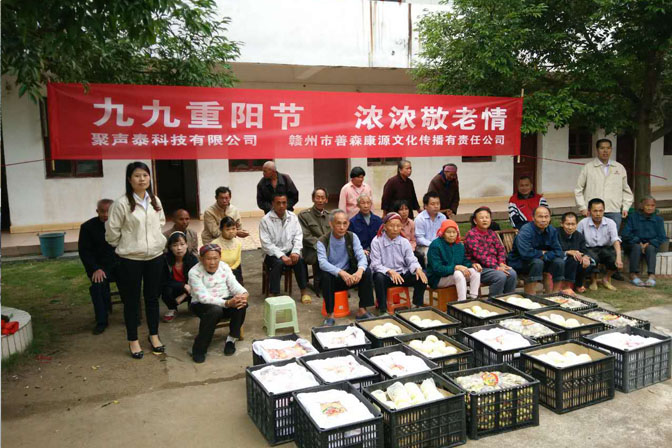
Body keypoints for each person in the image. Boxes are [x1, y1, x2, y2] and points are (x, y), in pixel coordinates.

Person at [105, 162, 167, 359]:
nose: (142, 179)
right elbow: (112, 233)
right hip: (130, 259)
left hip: (154, 257)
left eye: (145, 175)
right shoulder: (121, 204)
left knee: (152, 298)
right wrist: (127, 246)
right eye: (137, 176)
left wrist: (157, 242)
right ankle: (133, 340)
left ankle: (154, 335)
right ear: (129, 179)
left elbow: (161, 223)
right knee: (131, 301)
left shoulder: (155, 200)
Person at [188, 244, 248, 362]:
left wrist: (243, 294)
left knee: (241, 304)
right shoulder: (194, 272)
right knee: (215, 311)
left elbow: (234, 285)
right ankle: (199, 348)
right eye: (208, 259)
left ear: (220, 257)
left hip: (224, 301)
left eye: (215, 258)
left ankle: (231, 339)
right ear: (201, 259)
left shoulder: (224, 267)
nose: (212, 262)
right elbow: (203, 297)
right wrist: (227, 303)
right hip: (201, 304)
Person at [317, 210, 375, 326]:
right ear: (331, 224)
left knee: (366, 271)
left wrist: (359, 271)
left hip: (350, 276)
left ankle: (362, 310)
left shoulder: (352, 237)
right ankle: (330, 315)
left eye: (345, 223)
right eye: (338, 223)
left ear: (348, 224)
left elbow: (361, 256)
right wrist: (341, 272)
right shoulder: (322, 241)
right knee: (326, 275)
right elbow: (322, 263)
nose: (342, 227)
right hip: (334, 278)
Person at [259, 193, 311, 304]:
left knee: (300, 261)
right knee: (278, 263)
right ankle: (274, 293)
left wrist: (295, 252)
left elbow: (298, 236)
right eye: (278, 203)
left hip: (289, 250)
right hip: (272, 254)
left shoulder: (293, 217)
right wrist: (282, 256)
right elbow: (266, 244)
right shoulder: (265, 220)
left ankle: (304, 292)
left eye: (284, 203)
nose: (281, 206)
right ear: (273, 204)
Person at [370, 213, 428, 312]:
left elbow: (411, 259)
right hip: (386, 276)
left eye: (398, 226)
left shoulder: (404, 242)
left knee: (421, 276)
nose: (395, 229)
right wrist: (389, 271)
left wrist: (417, 268)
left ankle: (417, 304)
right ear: (385, 227)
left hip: (401, 275)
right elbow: (375, 264)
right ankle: (382, 309)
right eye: (391, 226)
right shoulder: (377, 241)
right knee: (378, 277)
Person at [78, 199, 118, 335]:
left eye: (109, 211)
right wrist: (95, 268)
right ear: (97, 211)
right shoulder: (87, 227)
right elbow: (85, 252)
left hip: (119, 264)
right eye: (102, 211)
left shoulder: (121, 224)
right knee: (98, 285)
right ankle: (101, 321)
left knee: (130, 280)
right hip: (100, 267)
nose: (106, 214)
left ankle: (133, 316)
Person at [574, 138, 633, 230]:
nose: (605, 151)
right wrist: (582, 207)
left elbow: (626, 190)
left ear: (611, 150)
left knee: (612, 236)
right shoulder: (588, 168)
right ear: (597, 150)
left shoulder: (619, 167)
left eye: (608, 148)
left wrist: (625, 207)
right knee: (592, 236)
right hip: (593, 211)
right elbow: (578, 189)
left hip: (613, 211)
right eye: (602, 148)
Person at [507, 206, 565, 294]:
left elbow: (559, 252)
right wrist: (542, 253)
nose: (544, 220)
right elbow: (525, 254)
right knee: (537, 262)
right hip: (520, 262)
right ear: (533, 218)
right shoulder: (526, 231)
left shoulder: (552, 230)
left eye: (546, 217)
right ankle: (531, 294)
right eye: (540, 217)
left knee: (559, 262)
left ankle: (555, 293)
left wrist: (544, 255)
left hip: (542, 261)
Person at [463, 206, 518, 298]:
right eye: (481, 218)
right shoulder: (471, 235)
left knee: (512, 273)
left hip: (495, 266)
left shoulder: (491, 233)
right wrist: (496, 267)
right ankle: (494, 301)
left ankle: (507, 300)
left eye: (487, 217)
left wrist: (501, 263)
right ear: (475, 221)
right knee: (500, 276)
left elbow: (500, 249)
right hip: (480, 268)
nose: (485, 220)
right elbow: (480, 256)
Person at [577, 198, 624, 291]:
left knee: (614, 259)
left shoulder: (610, 223)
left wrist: (619, 257)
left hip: (605, 248)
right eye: (595, 211)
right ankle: (593, 280)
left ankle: (606, 278)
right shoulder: (583, 223)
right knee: (593, 258)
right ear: (589, 211)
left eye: (600, 211)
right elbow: (577, 239)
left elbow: (615, 240)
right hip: (589, 248)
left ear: (604, 211)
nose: (598, 214)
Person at [427, 220, 481, 301]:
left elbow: (464, 261)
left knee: (475, 272)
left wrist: (472, 265)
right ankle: (462, 301)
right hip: (438, 278)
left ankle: (473, 298)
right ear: (443, 233)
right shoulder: (435, 245)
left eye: (454, 232)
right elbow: (437, 269)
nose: (452, 235)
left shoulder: (459, 245)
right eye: (448, 232)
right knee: (458, 273)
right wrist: (455, 268)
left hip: (454, 275)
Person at [622, 196, 666, 287]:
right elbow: (626, 234)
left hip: (650, 243)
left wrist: (648, 243)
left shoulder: (659, 220)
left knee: (651, 248)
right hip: (633, 243)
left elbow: (662, 237)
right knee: (637, 247)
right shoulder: (632, 217)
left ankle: (651, 275)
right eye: (647, 205)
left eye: (652, 205)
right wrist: (638, 242)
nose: (650, 208)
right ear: (642, 206)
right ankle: (633, 274)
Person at [298, 188, 331, 292]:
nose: (320, 200)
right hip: (311, 250)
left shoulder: (330, 216)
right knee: (322, 254)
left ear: (326, 200)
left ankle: (337, 283)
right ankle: (320, 283)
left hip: (328, 248)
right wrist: (322, 246)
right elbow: (306, 236)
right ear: (313, 199)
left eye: (323, 198)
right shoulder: (304, 215)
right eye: (317, 197)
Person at [161, 232, 198, 322]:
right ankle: (172, 309)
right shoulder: (165, 260)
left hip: (191, 289)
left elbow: (197, 280)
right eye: (175, 245)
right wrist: (183, 286)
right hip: (176, 288)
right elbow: (163, 281)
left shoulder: (193, 259)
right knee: (166, 290)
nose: (179, 248)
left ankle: (193, 305)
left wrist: (184, 295)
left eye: (182, 244)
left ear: (187, 245)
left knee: (195, 308)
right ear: (170, 247)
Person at [557, 212, 593, 293]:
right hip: (559, 259)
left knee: (586, 262)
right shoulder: (555, 234)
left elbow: (584, 250)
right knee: (573, 259)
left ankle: (578, 284)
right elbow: (552, 250)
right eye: (567, 224)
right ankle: (566, 286)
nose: (570, 227)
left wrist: (585, 257)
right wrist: (567, 252)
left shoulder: (579, 236)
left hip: (574, 261)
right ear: (562, 224)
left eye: (573, 224)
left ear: (576, 225)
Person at [414, 192, 447, 263]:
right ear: (425, 206)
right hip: (424, 246)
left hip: (440, 244)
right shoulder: (420, 219)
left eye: (438, 203)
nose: (436, 206)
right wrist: (433, 244)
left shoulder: (443, 217)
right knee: (429, 252)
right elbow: (419, 239)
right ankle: (431, 270)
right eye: (433, 204)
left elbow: (445, 234)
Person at [212, 216, 244, 285]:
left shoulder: (238, 243)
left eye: (233, 228)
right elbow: (213, 262)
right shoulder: (214, 244)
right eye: (227, 229)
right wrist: (225, 272)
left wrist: (230, 271)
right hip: (218, 273)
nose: (231, 231)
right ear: (221, 230)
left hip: (233, 271)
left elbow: (238, 260)